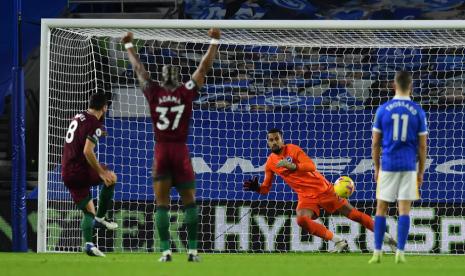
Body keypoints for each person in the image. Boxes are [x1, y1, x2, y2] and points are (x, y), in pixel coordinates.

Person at [121, 28, 220, 262]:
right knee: (190, 201)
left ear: (162, 76)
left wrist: (128, 46)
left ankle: (166, 252)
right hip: (180, 150)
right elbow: (203, 68)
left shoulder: (153, 91)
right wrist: (214, 41)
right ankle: (193, 251)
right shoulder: (186, 92)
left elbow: (138, 70)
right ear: (178, 77)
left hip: (162, 150)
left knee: (162, 203)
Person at [243, 128, 397, 252]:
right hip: (306, 197)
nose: (274, 142)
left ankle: (387, 237)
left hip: (324, 190)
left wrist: (293, 166)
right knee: (301, 219)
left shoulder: (293, 149)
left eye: (277, 138)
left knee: (354, 215)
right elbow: (266, 189)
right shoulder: (270, 162)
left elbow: (311, 166)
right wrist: (257, 188)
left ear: (282, 140)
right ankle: (338, 241)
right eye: (271, 140)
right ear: (268, 143)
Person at [369, 71, 428, 264]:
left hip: (388, 164)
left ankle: (377, 252)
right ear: (411, 86)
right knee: (404, 211)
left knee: (381, 209)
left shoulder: (383, 109)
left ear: (394, 85)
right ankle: (400, 252)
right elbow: (422, 145)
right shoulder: (417, 110)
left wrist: (377, 168)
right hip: (408, 166)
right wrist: (420, 172)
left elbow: (376, 144)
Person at [61, 92, 118, 257]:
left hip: (67, 171)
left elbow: (81, 136)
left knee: (88, 211)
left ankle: (89, 245)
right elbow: (87, 151)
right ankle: (100, 219)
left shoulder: (78, 117)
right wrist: (100, 172)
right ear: (104, 108)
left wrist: (100, 133)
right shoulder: (95, 124)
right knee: (110, 177)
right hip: (79, 170)